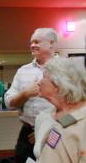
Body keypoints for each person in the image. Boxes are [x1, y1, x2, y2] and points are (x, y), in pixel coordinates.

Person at [4, 28, 58, 163]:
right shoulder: (23, 71)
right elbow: (9, 103)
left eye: (37, 42)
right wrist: (25, 94)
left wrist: (46, 130)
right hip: (27, 134)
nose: (32, 45)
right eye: (31, 42)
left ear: (51, 43)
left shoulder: (66, 69)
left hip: (56, 133)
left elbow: (77, 109)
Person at [33, 57, 86, 162]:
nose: (38, 82)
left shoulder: (82, 120)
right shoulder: (43, 117)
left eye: (43, 77)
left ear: (57, 84)